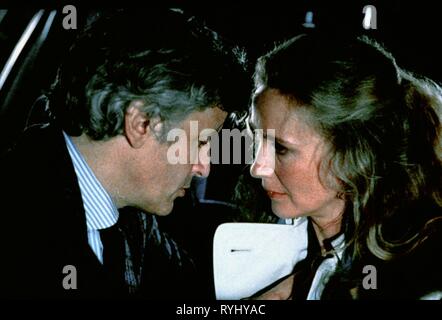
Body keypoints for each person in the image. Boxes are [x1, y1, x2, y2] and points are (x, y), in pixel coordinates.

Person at [0, 9, 248, 298]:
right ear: (140, 124)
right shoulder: (16, 227)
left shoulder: (131, 213)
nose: (203, 167)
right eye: (201, 143)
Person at [245, 33, 442, 299]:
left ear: (354, 154)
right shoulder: (277, 240)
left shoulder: (420, 275)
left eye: (281, 148)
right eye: (256, 138)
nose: (257, 168)